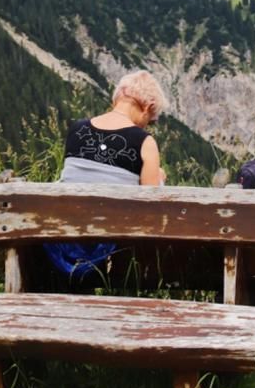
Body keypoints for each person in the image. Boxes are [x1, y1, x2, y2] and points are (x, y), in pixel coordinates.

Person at [44, 69, 167, 283]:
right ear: (147, 108)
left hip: (61, 244)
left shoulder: (77, 130)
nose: (147, 125)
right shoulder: (144, 142)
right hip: (108, 253)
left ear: (118, 97)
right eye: (151, 120)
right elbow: (152, 209)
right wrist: (159, 179)